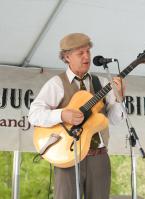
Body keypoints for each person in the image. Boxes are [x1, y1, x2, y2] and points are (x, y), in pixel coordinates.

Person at [28, 33, 125, 199]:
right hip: (67, 156)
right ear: (67, 56)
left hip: (99, 156)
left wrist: (119, 98)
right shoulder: (57, 84)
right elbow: (34, 115)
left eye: (88, 51)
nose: (86, 56)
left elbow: (115, 120)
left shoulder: (101, 83)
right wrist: (62, 114)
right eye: (80, 53)